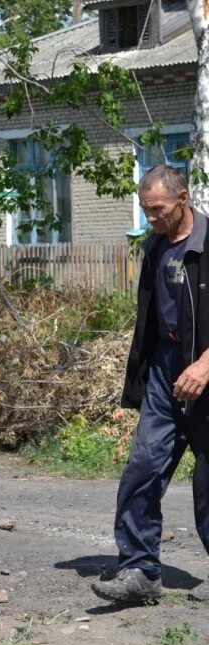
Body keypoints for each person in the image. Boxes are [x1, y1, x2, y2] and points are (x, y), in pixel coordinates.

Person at [93, 165, 209, 604]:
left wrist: (205, 364)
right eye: (145, 211)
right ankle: (139, 571)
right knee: (143, 468)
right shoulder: (156, 247)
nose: (151, 218)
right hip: (166, 372)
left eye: (157, 209)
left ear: (183, 199)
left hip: (206, 372)